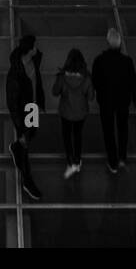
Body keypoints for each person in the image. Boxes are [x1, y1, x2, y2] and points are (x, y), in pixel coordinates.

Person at [92, 29, 136, 174]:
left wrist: (98, 94)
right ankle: (122, 157)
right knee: (122, 128)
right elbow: (133, 82)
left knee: (108, 131)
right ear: (120, 44)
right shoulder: (127, 61)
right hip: (122, 101)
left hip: (106, 101)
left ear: (107, 42)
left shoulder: (99, 60)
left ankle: (112, 162)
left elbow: (95, 81)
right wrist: (135, 99)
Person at [6, 34, 45, 201]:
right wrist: (20, 126)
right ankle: (27, 181)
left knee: (32, 133)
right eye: (35, 46)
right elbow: (12, 103)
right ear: (29, 50)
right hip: (25, 111)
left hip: (33, 106)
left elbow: (38, 56)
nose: (37, 48)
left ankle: (17, 146)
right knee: (26, 142)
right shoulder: (15, 73)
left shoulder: (33, 60)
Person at [53, 49, 95, 179]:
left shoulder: (62, 77)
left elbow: (55, 92)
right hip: (81, 113)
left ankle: (70, 161)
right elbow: (91, 97)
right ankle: (77, 161)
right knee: (77, 135)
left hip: (66, 112)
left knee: (66, 136)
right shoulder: (87, 78)